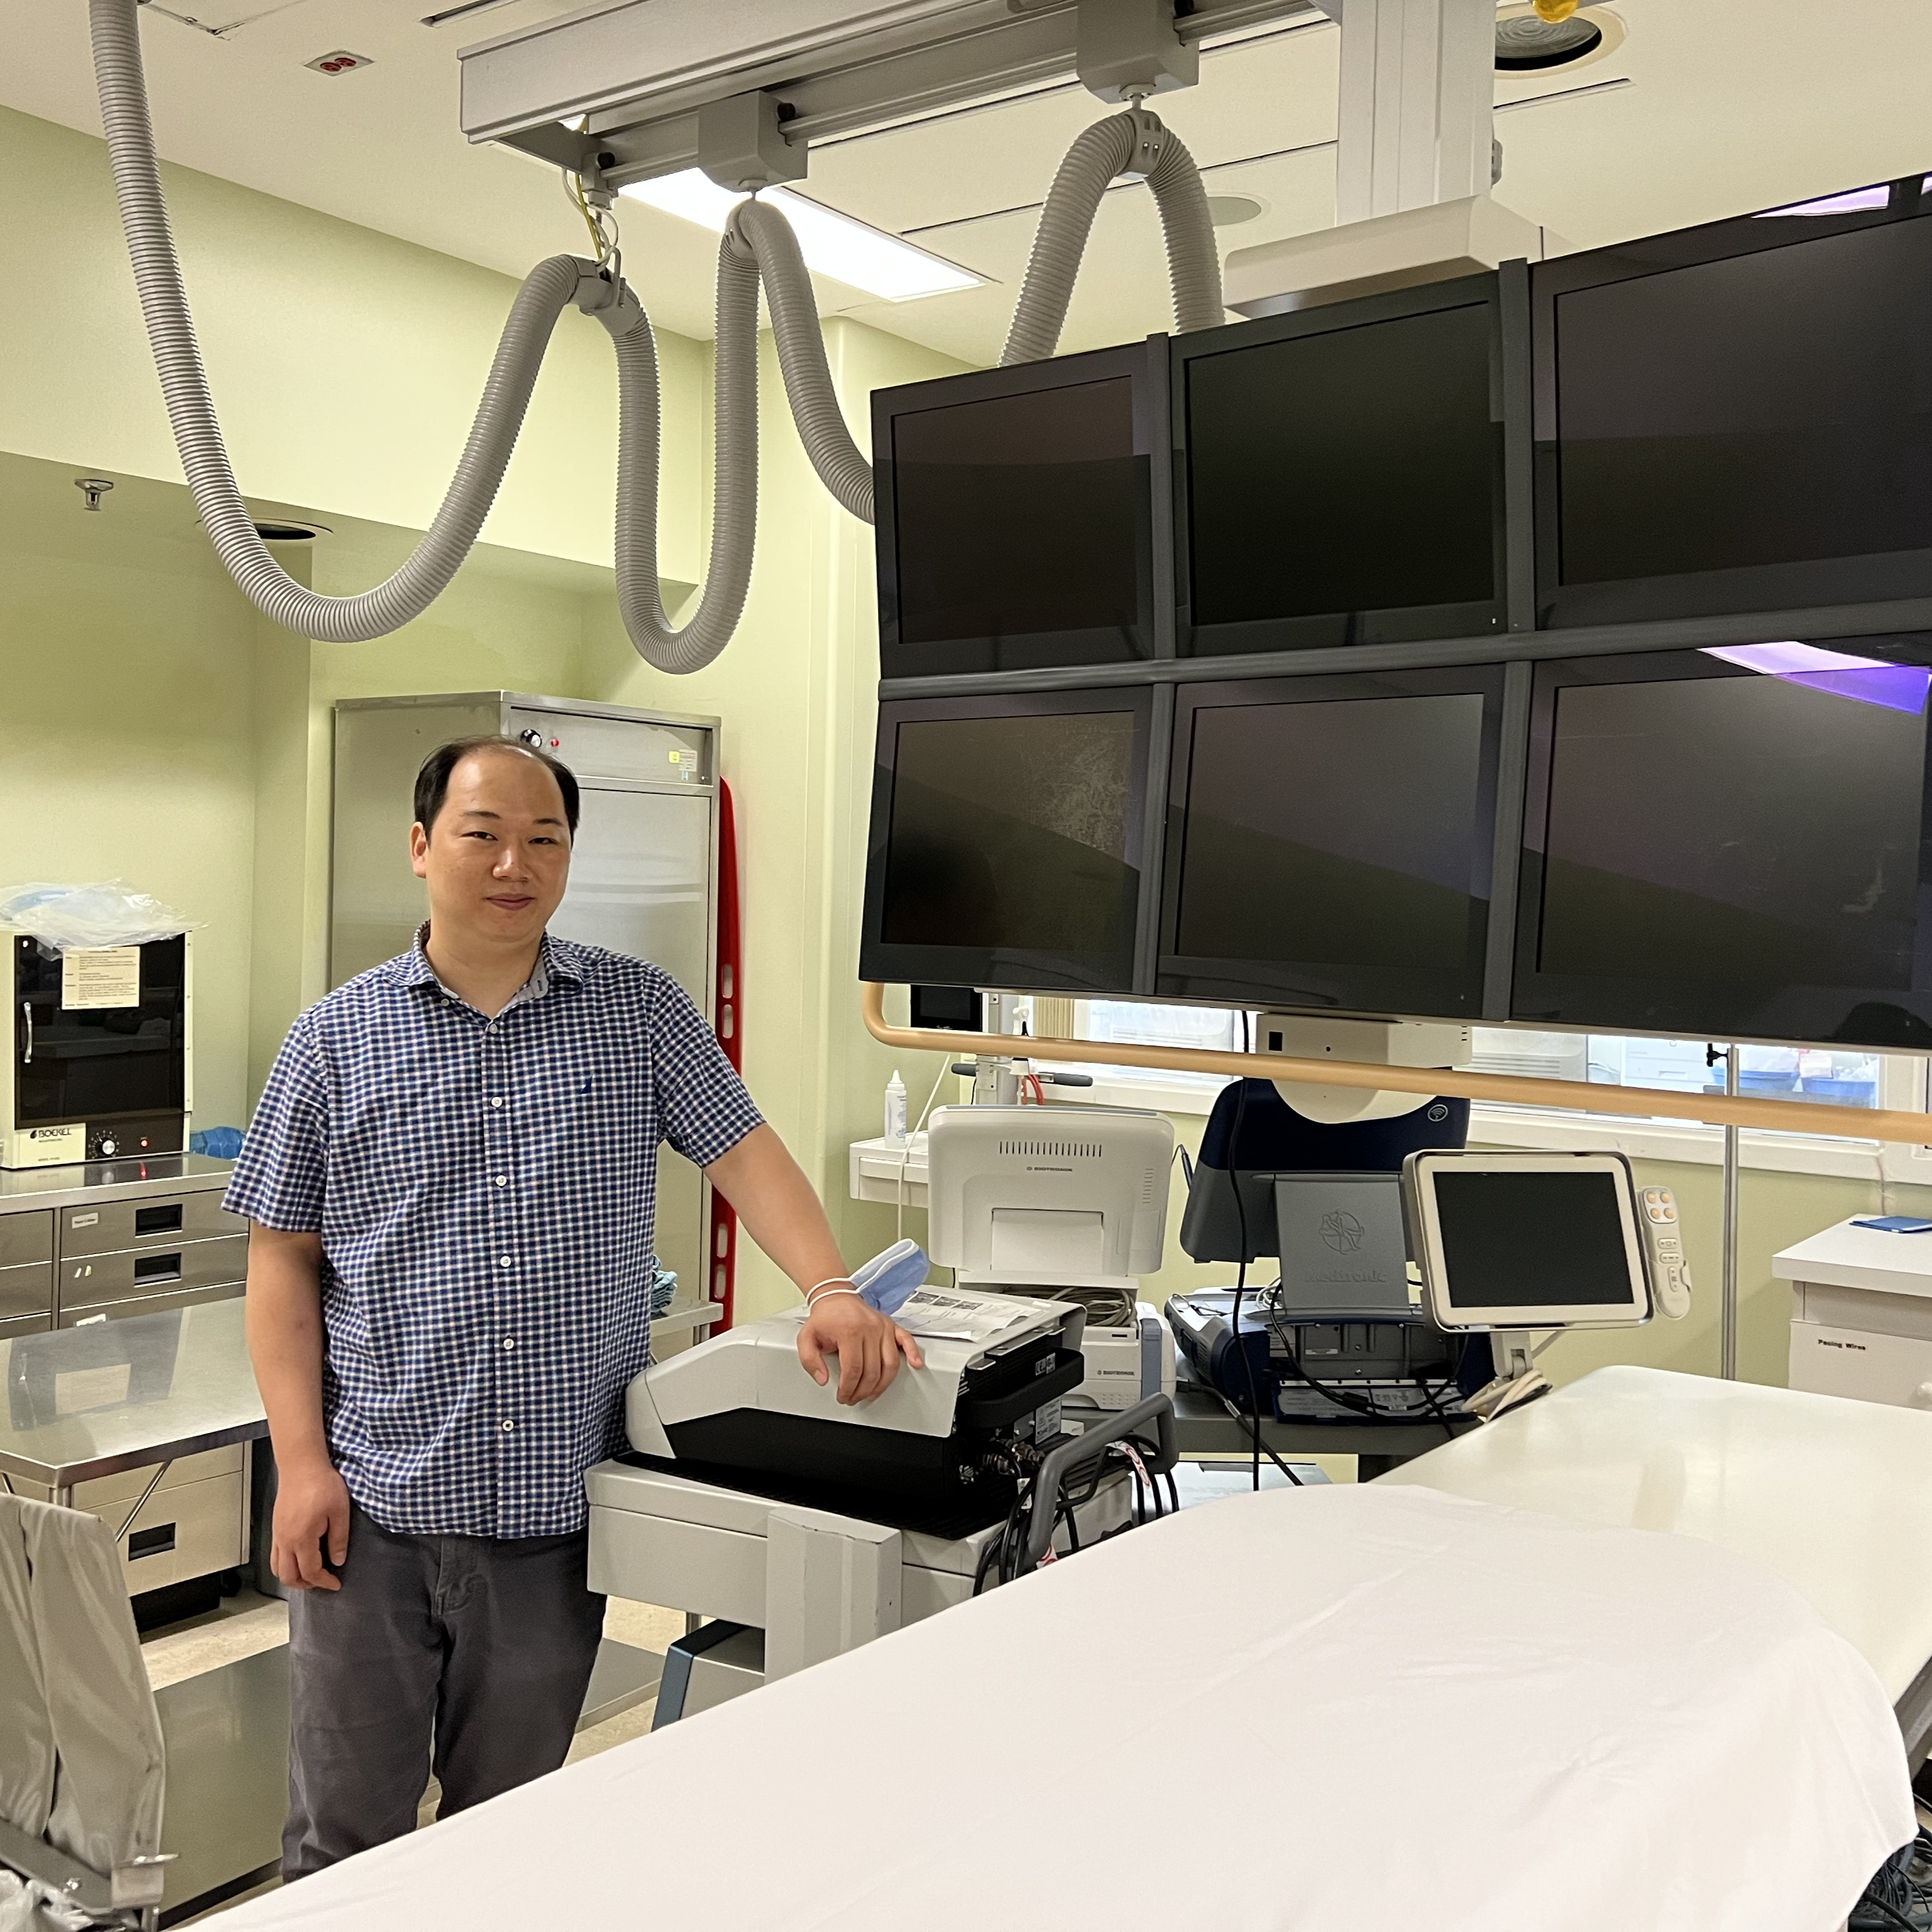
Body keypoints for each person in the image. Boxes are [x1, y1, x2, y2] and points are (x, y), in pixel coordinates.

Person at [227, 735, 922, 1878]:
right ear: (420, 847)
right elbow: (282, 1262)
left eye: (543, 839)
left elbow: (745, 1157)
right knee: (343, 1846)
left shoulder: (635, 1012)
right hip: (375, 1510)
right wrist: (301, 1462)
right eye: (483, 833)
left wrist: (833, 1288)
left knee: (511, 1839)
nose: (515, 862)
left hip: (551, 1520)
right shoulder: (332, 1039)